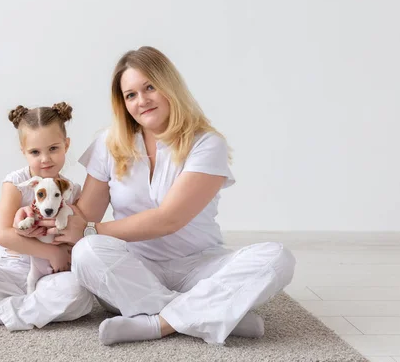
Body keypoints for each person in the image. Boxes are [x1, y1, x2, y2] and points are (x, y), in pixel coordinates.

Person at [17, 46, 296, 345]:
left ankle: (159, 323)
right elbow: (84, 216)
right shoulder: (109, 142)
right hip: (132, 273)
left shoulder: (206, 144)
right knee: (88, 253)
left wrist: (88, 229)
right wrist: (34, 213)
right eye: (131, 95)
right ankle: (210, 313)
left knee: (277, 258)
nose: (142, 100)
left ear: (169, 86)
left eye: (150, 87)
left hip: (199, 266)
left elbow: (168, 219)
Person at [0, 102, 93, 331]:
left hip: (47, 276)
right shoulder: (16, 183)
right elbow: (2, 234)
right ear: (23, 152)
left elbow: (81, 235)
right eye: (35, 152)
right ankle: (33, 308)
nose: (45, 159)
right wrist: (52, 251)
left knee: (79, 295)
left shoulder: (71, 190)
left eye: (53, 149)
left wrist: (64, 251)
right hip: (8, 271)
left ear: (66, 145)